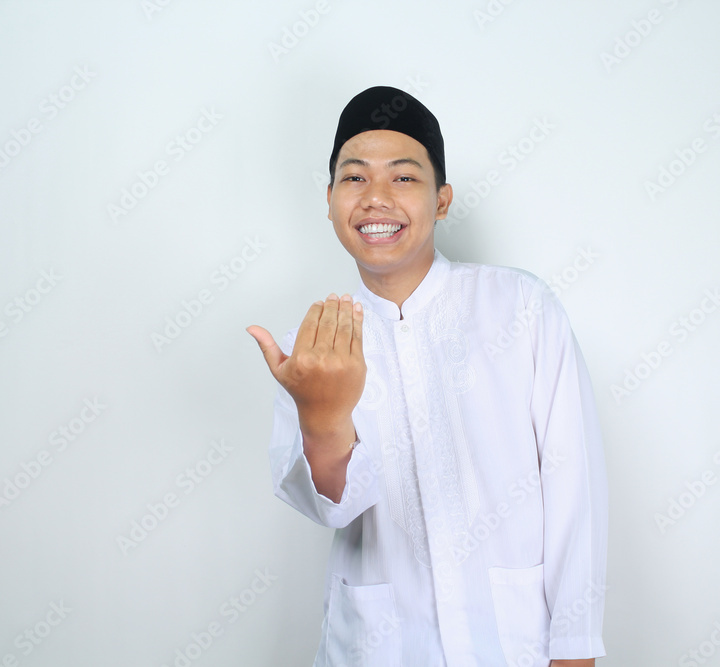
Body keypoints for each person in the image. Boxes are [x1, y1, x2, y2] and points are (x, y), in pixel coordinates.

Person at [247, 86, 607, 667]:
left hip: (512, 644)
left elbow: (574, 490)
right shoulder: (314, 347)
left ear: (441, 201)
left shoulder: (520, 308)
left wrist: (574, 650)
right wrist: (322, 418)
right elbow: (331, 510)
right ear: (331, 199)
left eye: (404, 178)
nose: (377, 199)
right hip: (378, 647)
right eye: (355, 178)